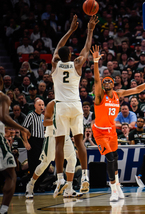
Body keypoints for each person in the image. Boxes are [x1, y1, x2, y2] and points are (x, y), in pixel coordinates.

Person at [91, 45, 145, 201]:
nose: (105, 83)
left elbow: (139, 89)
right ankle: (113, 189)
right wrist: (95, 62)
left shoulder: (118, 94)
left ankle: (117, 187)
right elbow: (97, 79)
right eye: (104, 82)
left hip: (111, 130)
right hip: (99, 132)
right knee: (110, 158)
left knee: (115, 157)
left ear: (113, 84)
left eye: (108, 81)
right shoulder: (100, 96)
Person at [51, 15, 99, 195]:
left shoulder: (55, 64)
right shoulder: (77, 64)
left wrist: (70, 30)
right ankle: (85, 176)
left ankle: (60, 179)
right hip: (76, 106)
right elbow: (87, 48)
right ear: (71, 55)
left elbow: (57, 48)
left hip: (61, 106)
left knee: (59, 143)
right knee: (79, 141)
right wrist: (90, 29)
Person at [25, 100, 83, 199]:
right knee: (45, 164)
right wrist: (57, 120)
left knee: (72, 159)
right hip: (51, 136)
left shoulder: (70, 103)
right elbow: (45, 123)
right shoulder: (52, 104)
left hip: (65, 135)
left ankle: (69, 189)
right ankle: (31, 184)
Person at [0, 91, 30, 214]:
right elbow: (3, 117)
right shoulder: (2, 97)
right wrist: (22, 128)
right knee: (11, 174)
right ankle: (3, 210)